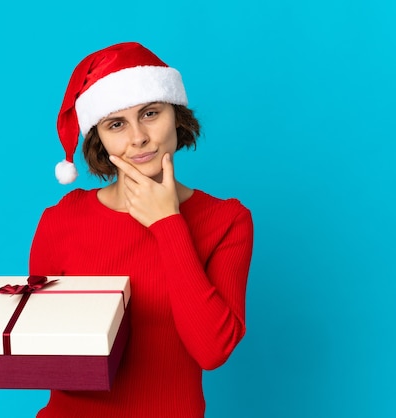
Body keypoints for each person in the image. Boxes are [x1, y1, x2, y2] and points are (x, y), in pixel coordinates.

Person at [29, 42, 253, 418]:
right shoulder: (62, 219)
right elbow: (43, 352)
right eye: (116, 124)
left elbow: (212, 350)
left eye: (150, 113)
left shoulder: (226, 221)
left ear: (175, 115)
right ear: (99, 138)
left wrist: (168, 223)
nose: (138, 137)